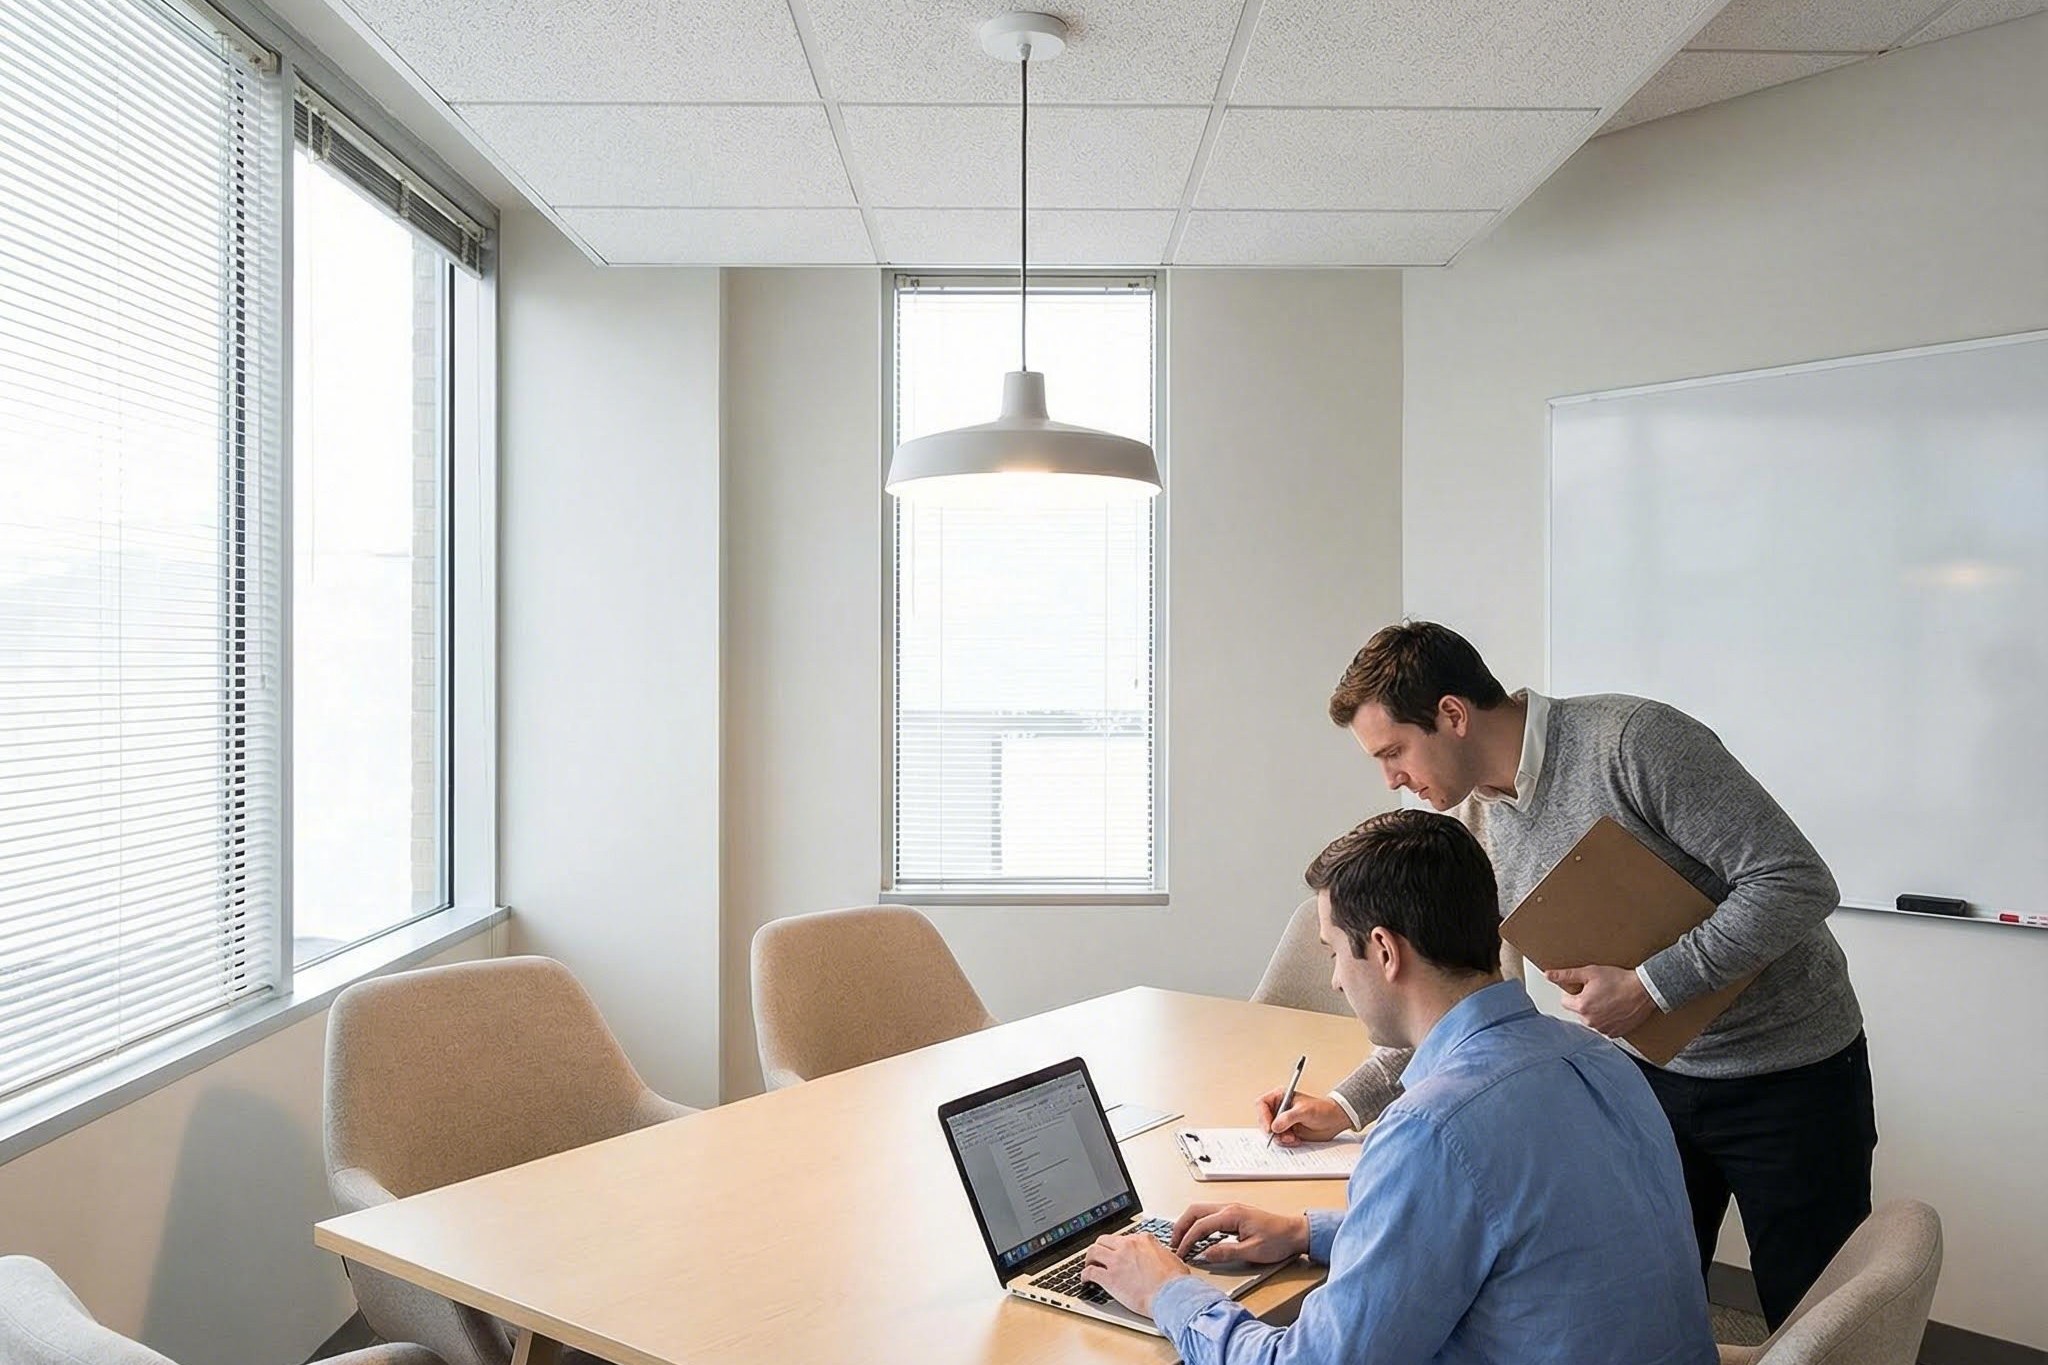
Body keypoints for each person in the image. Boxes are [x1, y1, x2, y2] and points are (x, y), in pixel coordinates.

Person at [1260, 622, 1874, 1329]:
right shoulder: (1474, 820)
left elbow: (1796, 881)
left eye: (1394, 751)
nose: (1391, 777)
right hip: (1648, 1077)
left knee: (1818, 1320)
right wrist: (1346, 1104)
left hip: (1791, 1072)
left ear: (1453, 715)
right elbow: (1451, 986)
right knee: (1645, 1305)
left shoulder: (1633, 743)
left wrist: (1651, 986)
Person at [1081, 811, 1715, 1364]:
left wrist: (1166, 1290)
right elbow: (1502, 1231)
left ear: (1383, 951)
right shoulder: (1599, 1058)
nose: (1333, 980)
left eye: (1332, 952)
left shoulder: (1431, 1130)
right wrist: (1310, 1232)